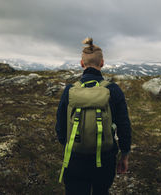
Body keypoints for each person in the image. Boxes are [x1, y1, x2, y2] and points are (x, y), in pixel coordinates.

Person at [55, 37, 132, 195]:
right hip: (104, 159)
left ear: (81, 63)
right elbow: (124, 126)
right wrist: (124, 155)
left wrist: (69, 144)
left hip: (75, 157)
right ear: (102, 63)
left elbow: (60, 126)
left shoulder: (69, 90)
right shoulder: (113, 90)